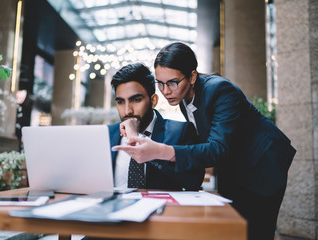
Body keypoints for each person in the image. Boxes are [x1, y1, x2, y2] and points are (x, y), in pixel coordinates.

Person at [113, 42, 296, 240]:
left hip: (263, 163)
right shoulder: (182, 97)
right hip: (233, 164)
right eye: (160, 83)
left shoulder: (221, 90)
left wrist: (160, 151)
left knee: (256, 231)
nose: (166, 91)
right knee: (233, 230)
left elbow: (217, 148)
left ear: (192, 76)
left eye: (173, 82)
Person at [109, 62, 204, 190]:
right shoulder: (108, 134)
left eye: (136, 100)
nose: (127, 111)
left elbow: (194, 181)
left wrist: (139, 140)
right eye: (120, 102)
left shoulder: (181, 132)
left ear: (153, 101)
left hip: (163, 208)